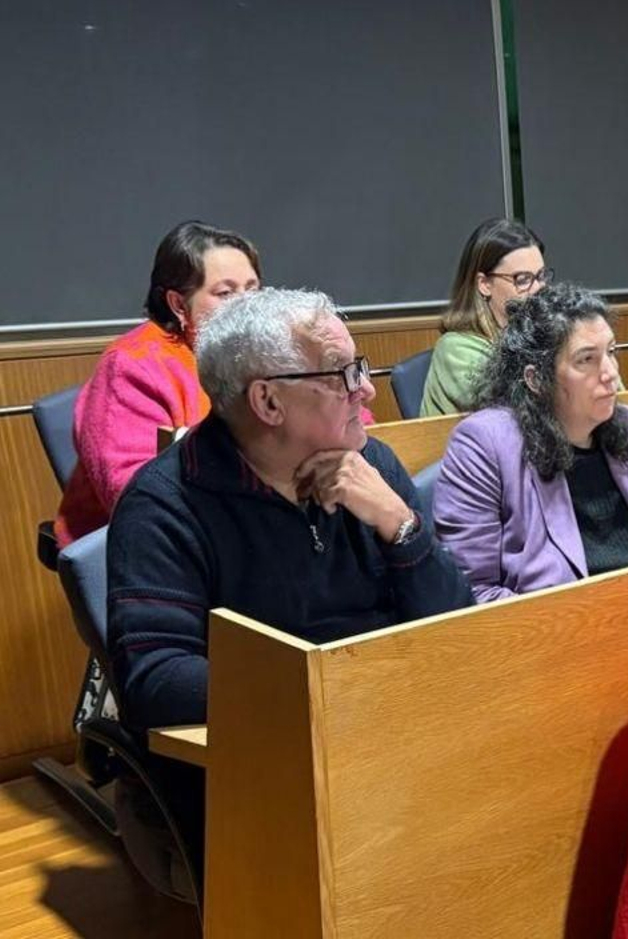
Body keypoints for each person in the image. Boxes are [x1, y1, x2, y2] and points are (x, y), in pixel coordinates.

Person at [106, 287, 472, 882]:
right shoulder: (164, 506)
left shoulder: (372, 468)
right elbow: (156, 679)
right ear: (268, 401)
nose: (367, 389)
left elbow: (455, 621)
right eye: (342, 374)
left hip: (390, 740)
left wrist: (399, 526)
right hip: (261, 772)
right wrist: (335, 687)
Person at [433, 284, 628, 601]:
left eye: (611, 353)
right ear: (536, 379)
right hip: (563, 635)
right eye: (586, 359)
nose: (610, 373)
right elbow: (473, 591)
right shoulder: (484, 444)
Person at [54, 220, 261, 546]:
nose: (249, 305)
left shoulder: (267, 350)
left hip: (245, 527)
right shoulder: (132, 365)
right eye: (226, 293)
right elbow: (133, 493)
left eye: (253, 289)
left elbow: (354, 430)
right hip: (151, 545)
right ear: (179, 305)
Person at [421, 218, 549, 416]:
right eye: (523, 280)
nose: (538, 290)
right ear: (484, 284)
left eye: (540, 277)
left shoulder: (532, 333)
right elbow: (519, 407)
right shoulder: (455, 349)